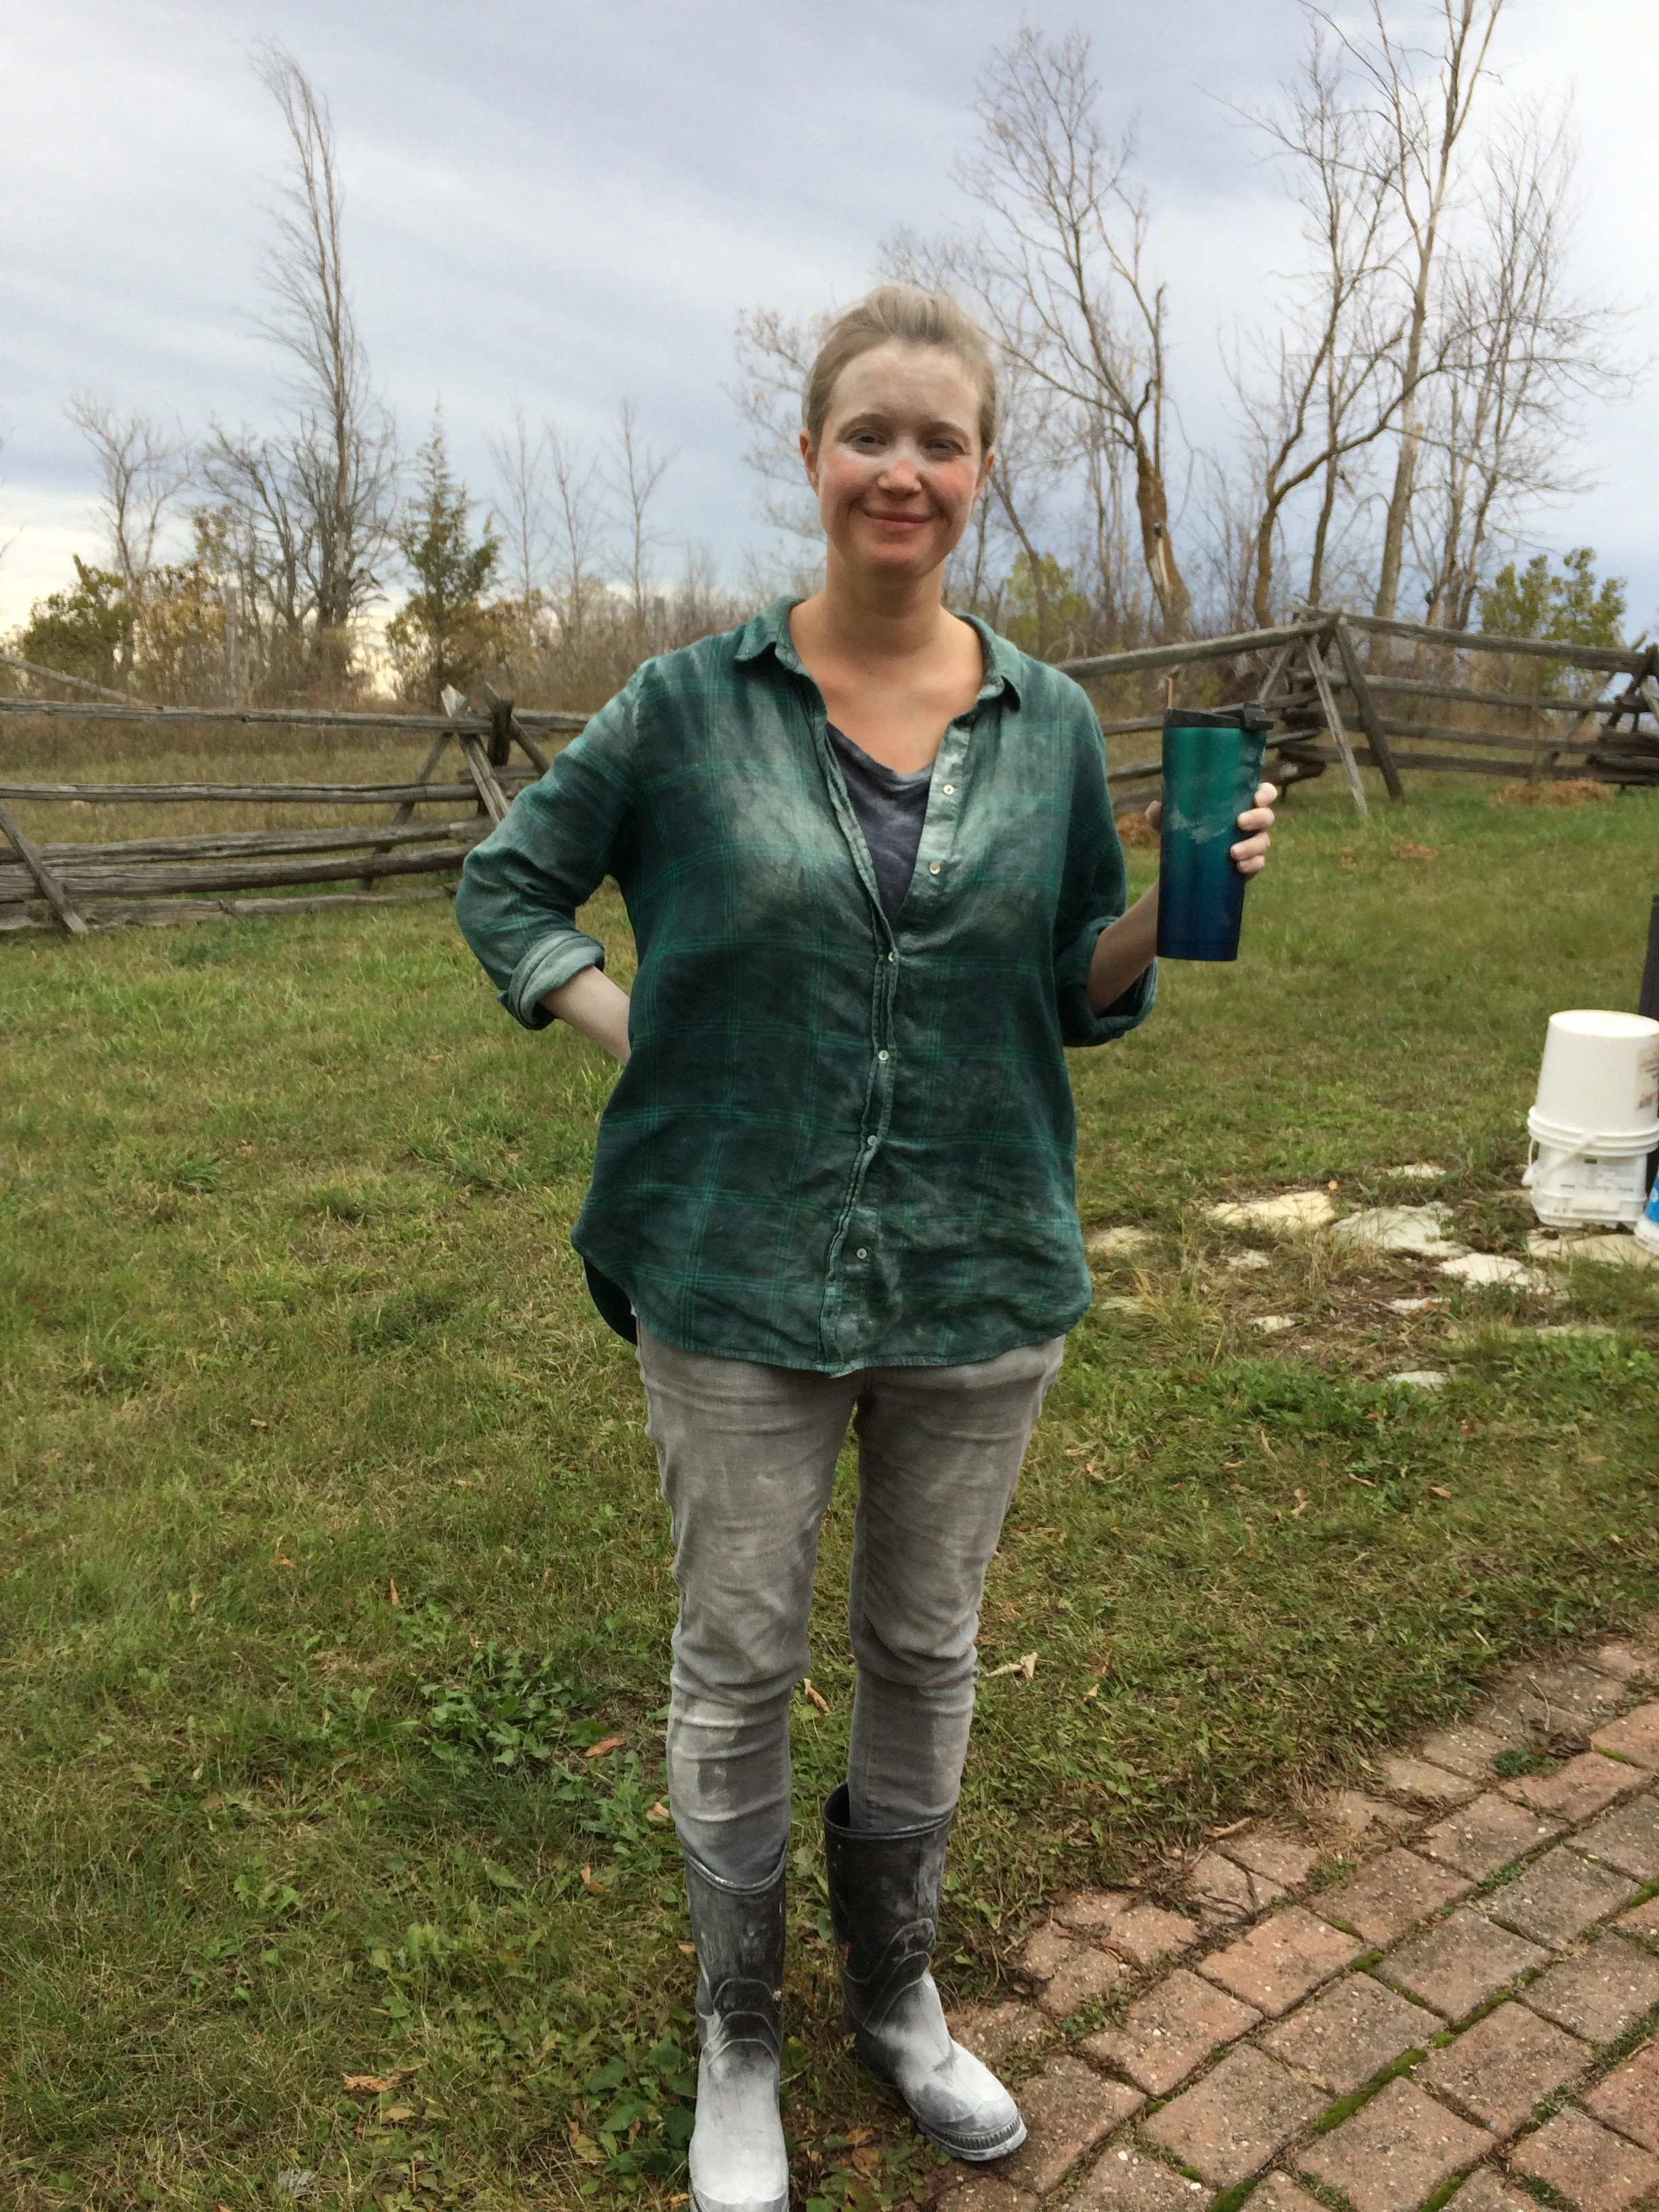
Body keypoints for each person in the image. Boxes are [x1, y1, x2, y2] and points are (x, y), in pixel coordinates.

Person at [455, 285, 1275, 2212]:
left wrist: (1169, 910)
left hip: (980, 1270)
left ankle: (894, 1999)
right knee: (735, 1664)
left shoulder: (1051, 720)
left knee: (926, 1646)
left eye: (942, 440)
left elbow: (1073, 986)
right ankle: (741, 2035)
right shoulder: (684, 707)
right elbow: (509, 884)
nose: (903, 470)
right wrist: (621, 1016)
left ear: (981, 472)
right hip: (732, 1269)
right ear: (813, 455)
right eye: (869, 434)